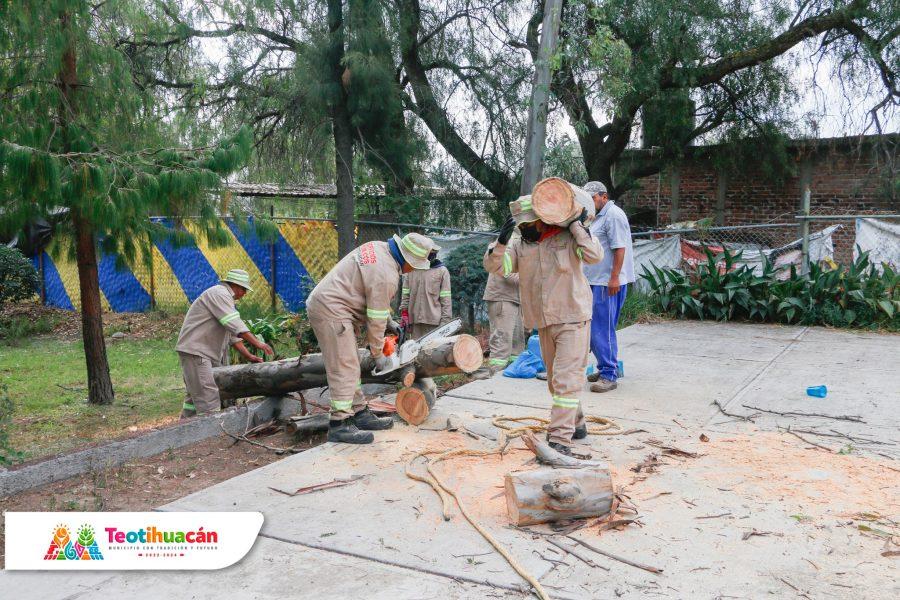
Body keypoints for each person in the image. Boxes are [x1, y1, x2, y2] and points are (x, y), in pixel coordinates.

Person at [484, 196, 603, 456]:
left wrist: (576, 226)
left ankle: (560, 438)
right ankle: (577, 422)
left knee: (566, 378)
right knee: (554, 382)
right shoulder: (520, 245)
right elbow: (495, 266)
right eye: (521, 226)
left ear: (543, 219)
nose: (525, 229)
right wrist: (501, 242)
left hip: (573, 316)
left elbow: (595, 255)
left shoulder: (568, 237)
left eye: (529, 224)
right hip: (544, 321)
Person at [306, 232, 437, 444]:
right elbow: (374, 319)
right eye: (414, 265)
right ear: (408, 259)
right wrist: (378, 355)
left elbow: (374, 298)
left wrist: (390, 322)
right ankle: (339, 424)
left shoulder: (380, 247)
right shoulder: (386, 274)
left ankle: (358, 412)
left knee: (350, 363)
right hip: (332, 309)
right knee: (345, 365)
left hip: (334, 305)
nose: (412, 270)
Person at [176, 269, 274, 418]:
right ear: (234, 285)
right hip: (197, 352)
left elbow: (232, 336)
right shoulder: (220, 294)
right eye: (243, 289)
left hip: (198, 352)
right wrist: (258, 343)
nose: (244, 293)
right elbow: (235, 325)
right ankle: (210, 434)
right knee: (208, 398)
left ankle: (181, 431)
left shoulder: (223, 298)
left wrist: (248, 356)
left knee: (194, 397)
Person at [582, 181, 635, 393]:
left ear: (603, 196)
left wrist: (614, 278)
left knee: (602, 329)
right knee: (593, 329)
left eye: (592, 199)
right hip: (595, 281)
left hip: (607, 282)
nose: (589, 203)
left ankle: (609, 374)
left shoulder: (613, 215)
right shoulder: (597, 216)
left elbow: (619, 248)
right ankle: (605, 367)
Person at [472, 230, 525, 380]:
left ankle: (511, 378)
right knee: (502, 341)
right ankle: (495, 378)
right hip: (502, 298)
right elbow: (504, 270)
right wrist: (530, 278)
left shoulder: (521, 242)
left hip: (514, 298)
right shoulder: (508, 242)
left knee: (516, 344)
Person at [399, 250, 452, 340]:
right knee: (415, 352)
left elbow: (446, 299)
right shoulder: (411, 270)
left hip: (434, 323)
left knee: (432, 351)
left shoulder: (442, 271)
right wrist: (404, 314)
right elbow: (405, 294)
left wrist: (445, 322)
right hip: (414, 322)